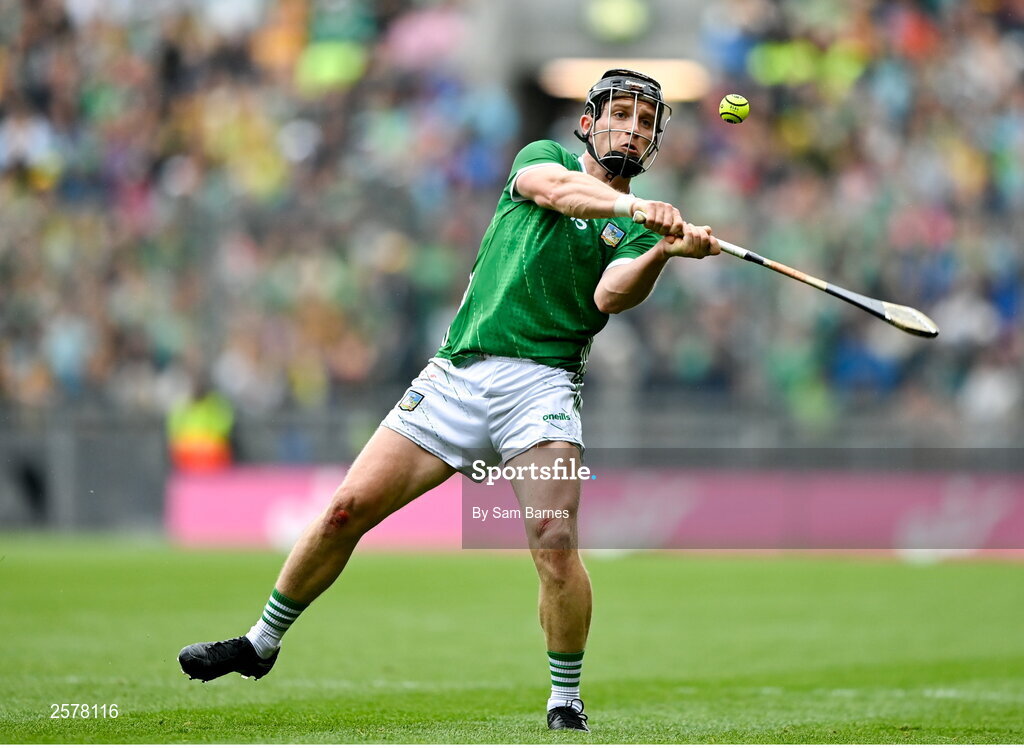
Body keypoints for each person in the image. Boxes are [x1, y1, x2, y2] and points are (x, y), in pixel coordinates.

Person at [177, 68, 720, 732]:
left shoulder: (636, 229)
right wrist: (637, 208)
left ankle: (565, 698)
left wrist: (664, 249)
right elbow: (558, 194)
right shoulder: (542, 159)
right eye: (621, 115)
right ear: (587, 122)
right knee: (346, 511)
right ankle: (260, 644)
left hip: (542, 386)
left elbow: (612, 296)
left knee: (554, 540)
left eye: (645, 123)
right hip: (456, 375)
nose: (632, 130)